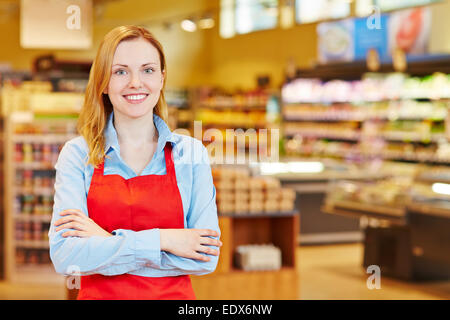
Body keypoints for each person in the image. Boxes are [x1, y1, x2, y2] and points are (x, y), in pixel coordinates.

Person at [48, 25, 222, 300]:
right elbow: (66, 257)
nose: (135, 83)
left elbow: (205, 258)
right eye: (120, 71)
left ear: (162, 78)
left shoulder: (191, 154)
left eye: (148, 70)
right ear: (104, 83)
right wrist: (167, 240)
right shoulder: (77, 155)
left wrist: (106, 242)